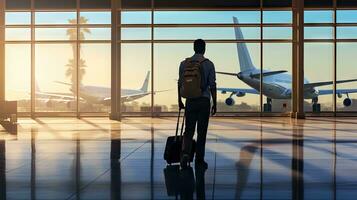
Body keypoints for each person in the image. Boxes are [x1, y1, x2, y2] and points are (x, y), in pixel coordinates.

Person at [178, 39, 217, 169]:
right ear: (204, 49)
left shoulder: (184, 63)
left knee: (188, 131)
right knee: (202, 132)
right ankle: (199, 159)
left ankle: (185, 154)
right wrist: (215, 103)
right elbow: (212, 85)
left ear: (194, 48)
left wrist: (180, 100)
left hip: (190, 100)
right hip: (203, 100)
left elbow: (180, 83)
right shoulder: (209, 64)